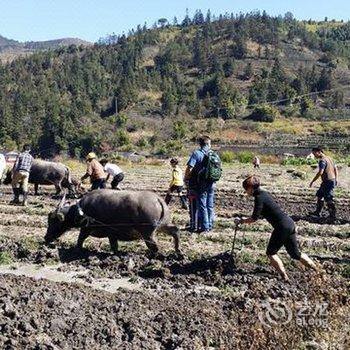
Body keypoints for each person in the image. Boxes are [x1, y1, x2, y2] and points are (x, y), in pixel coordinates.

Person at [235, 175, 317, 281]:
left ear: (250, 188)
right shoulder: (264, 194)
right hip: (290, 223)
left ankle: (284, 277)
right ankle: (317, 270)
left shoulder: (259, 198)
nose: (246, 192)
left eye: (246, 190)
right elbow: (262, 213)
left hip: (281, 227)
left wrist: (241, 221)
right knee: (295, 254)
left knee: (270, 253)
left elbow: (254, 218)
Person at [185, 136, 216, 233]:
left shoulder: (197, 153)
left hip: (200, 184)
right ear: (208, 143)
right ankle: (210, 225)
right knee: (210, 205)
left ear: (200, 144)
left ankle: (204, 227)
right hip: (211, 183)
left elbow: (190, 167)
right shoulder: (213, 154)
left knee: (202, 206)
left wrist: (186, 178)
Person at [309, 147, 338, 222]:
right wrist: (336, 179)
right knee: (319, 195)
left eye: (314, 153)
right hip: (330, 180)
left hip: (328, 181)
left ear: (319, 152)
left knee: (328, 198)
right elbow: (336, 169)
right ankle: (317, 212)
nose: (314, 155)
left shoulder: (322, 160)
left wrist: (313, 181)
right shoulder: (330, 158)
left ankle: (332, 216)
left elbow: (320, 172)